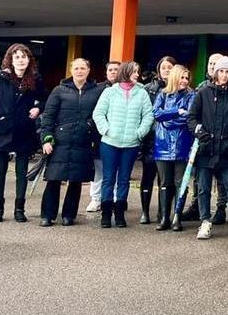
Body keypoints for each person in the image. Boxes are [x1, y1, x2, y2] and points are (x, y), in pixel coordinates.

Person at [0, 43, 46, 223]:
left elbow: (44, 99)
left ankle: (19, 209)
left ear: (29, 59)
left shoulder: (35, 78)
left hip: (24, 130)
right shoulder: (2, 77)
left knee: (21, 171)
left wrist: (38, 108)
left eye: (24, 57)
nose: (21, 60)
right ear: (11, 59)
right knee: (0, 171)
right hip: (3, 130)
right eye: (17, 57)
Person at [187, 55, 228, 241]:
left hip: (227, 149)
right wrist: (200, 133)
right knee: (203, 188)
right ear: (215, 72)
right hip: (206, 149)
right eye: (221, 71)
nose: (223, 75)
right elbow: (192, 118)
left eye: (227, 72)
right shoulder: (203, 91)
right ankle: (205, 222)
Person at [37, 57, 101, 227]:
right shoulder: (59, 90)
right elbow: (48, 117)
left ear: (88, 71)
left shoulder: (97, 91)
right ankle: (47, 215)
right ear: (71, 71)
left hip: (83, 141)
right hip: (60, 141)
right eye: (76, 68)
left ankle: (69, 215)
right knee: (54, 179)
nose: (79, 71)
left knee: (76, 180)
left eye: (83, 68)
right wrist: (46, 139)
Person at [92, 61, 154, 228]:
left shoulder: (142, 93)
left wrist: (139, 133)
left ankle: (119, 213)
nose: (137, 75)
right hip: (110, 142)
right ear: (126, 72)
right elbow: (98, 113)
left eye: (138, 72)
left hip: (131, 144)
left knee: (124, 179)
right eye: (134, 71)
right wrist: (106, 129)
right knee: (108, 178)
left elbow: (148, 116)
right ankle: (106, 214)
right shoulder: (110, 92)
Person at [151, 64, 196, 231]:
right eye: (182, 77)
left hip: (182, 143)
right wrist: (178, 111)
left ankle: (177, 217)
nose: (184, 81)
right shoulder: (163, 94)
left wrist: (168, 117)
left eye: (187, 78)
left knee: (180, 182)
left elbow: (189, 117)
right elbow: (156, 114)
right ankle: (164, 217)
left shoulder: (191, 95)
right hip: (162, 143)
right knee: (165, 182)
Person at [138, 56, 176, 225]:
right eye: (163, 67)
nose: (166, 70)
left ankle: (164, 213)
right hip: (151, 139)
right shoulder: (149, 89)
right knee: (147, 175)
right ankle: (145, 212)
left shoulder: (179, 88)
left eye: (170, 67)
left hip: (170, 140)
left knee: (166, 179)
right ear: (159, 70)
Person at [87, 60, 122, 213]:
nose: (113, 72)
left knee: (117, 170)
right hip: (99, 136)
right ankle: (96, 199)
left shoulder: (127, 89)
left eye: (116, 69)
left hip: (120, 137)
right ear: (106, 72)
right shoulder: (97, 89)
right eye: (111, 70)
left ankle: (114, 198)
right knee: (99, 170)